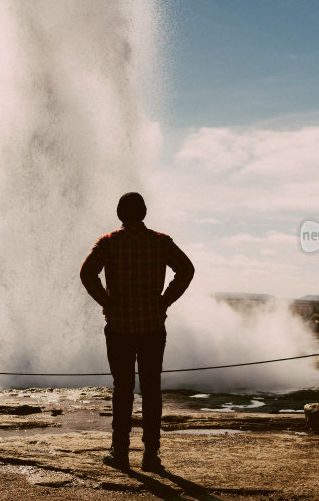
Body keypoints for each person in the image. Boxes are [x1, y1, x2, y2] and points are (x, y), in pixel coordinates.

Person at [80, 192, 194, 472]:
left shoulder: (109, 243)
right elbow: (187, 270)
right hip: (153, 327)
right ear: (144, 213)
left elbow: (86, 274)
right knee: (152, 390)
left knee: (123, 390)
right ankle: (151, 456)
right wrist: (165, 300)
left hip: (119, 327)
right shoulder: (160, 242)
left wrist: (107, 303)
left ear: (120, 214)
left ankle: (120, 453)